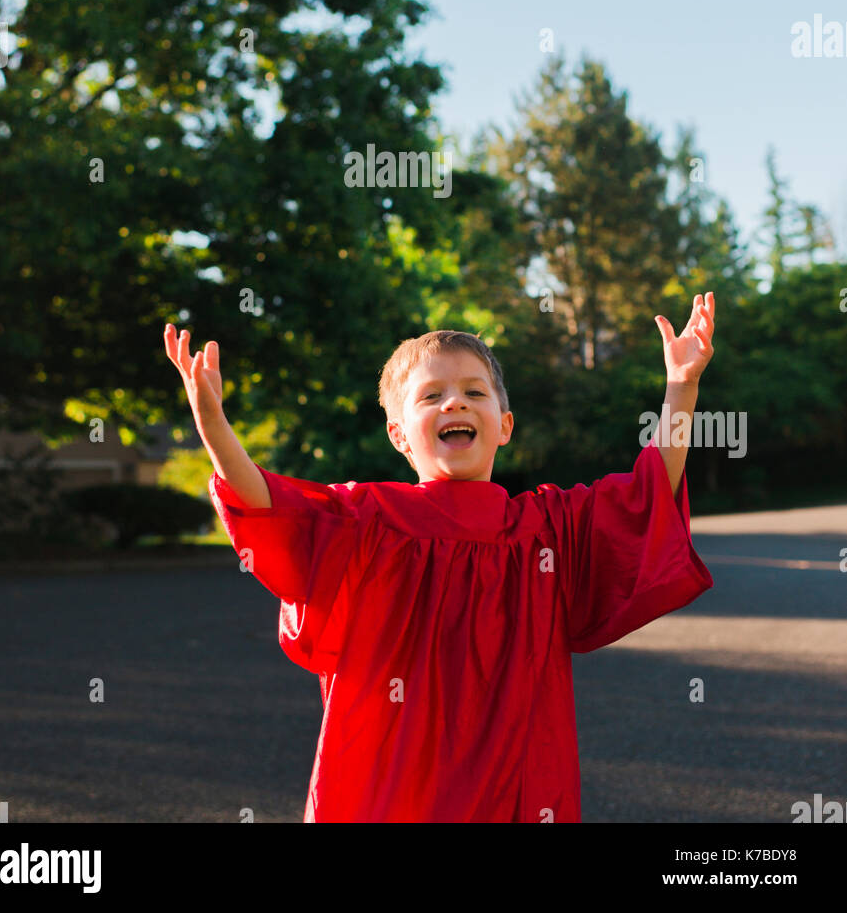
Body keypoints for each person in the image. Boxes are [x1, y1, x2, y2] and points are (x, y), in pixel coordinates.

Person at [163, 292, 715, 823]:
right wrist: (214, 426)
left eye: (475, 392)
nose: (455, 402)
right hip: (396, 772)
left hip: (513, 772)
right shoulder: (367, 520)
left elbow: (645, 496)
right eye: (431, 396)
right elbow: (267, 504)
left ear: (504, 425)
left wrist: (681, 388)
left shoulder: (544, 529)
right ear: (399, 434)